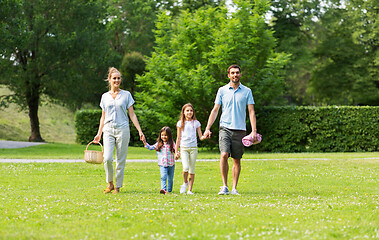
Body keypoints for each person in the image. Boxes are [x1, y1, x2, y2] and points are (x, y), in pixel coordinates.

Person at [203, 65, 258, 195]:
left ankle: (234, 188)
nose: (235, 75)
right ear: (228, 75)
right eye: (232, 73)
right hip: (225, 128)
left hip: (240, 130)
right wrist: (207, 128)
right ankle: (224, 186)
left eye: (237, 73)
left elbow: (251, 111)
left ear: (240, 74)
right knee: (224, 154)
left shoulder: (247, 91)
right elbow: (215, 110)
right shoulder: (222, 90)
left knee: (236, 160)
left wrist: (254, 131)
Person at [93, 67, 145, 194]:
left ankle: (117, 187)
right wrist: (99, 133)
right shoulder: (104, 97)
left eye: (119, 78)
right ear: (109, 80)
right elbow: (103, 117)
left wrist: (140, 131)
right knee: (107, 158)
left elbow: (132, 114)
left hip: (123, 129)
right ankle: (110, 184)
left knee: (120, 159)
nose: (117, 80)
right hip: (108, 129)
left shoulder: (126, 95)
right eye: (114, 78)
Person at [175, 103, 205, 195]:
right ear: (183, 112)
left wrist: (205, 135)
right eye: (187, 110)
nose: (189, 112)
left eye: (191, 110)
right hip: (184, 148)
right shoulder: (180, 123)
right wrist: (176, 151)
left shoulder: (196, 123)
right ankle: (185, 182)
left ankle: (190, 190)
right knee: (185, 168)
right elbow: (178, 138)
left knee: (192, 169)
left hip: (193, 149)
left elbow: (201, 137)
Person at [143, 126, 176, 194]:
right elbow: (151, 147)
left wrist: (177, 154)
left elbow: (176, 150)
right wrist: (145, 143)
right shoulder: (159, 144)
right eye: (162, 135)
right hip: (162, 164)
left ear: (169, 136)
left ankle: (169, 190)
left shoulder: (172, 144)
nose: (164, 137)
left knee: (170, 178)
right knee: (163, 176)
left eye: (166, 135)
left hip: (171, 164)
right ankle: (163, 189)